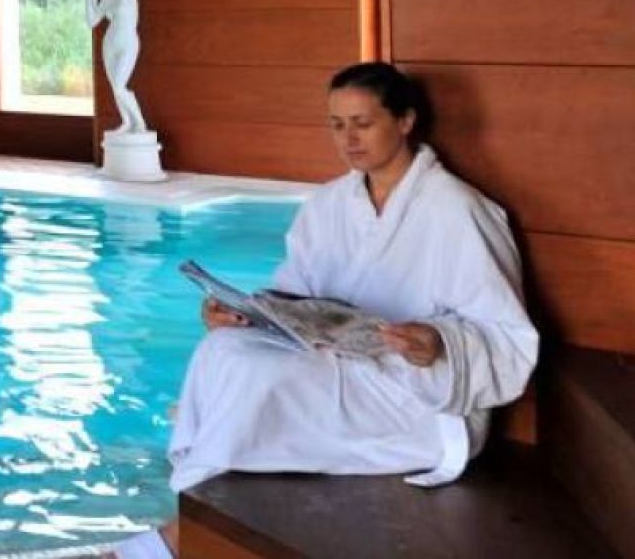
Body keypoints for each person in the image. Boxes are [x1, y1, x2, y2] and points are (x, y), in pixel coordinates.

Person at [167, 62, 537, 492]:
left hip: (415, 390)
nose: (349, 139)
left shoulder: (458, 210)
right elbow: (293, 295)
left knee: (256, 376)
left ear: (405, 121)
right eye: (338, 125)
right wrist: (243, 315)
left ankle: (194, 493)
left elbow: (509, 337)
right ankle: (203, 479)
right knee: (223, 349)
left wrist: (440, 341)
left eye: (362, 124)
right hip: (334, 356)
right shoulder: (328, 204)